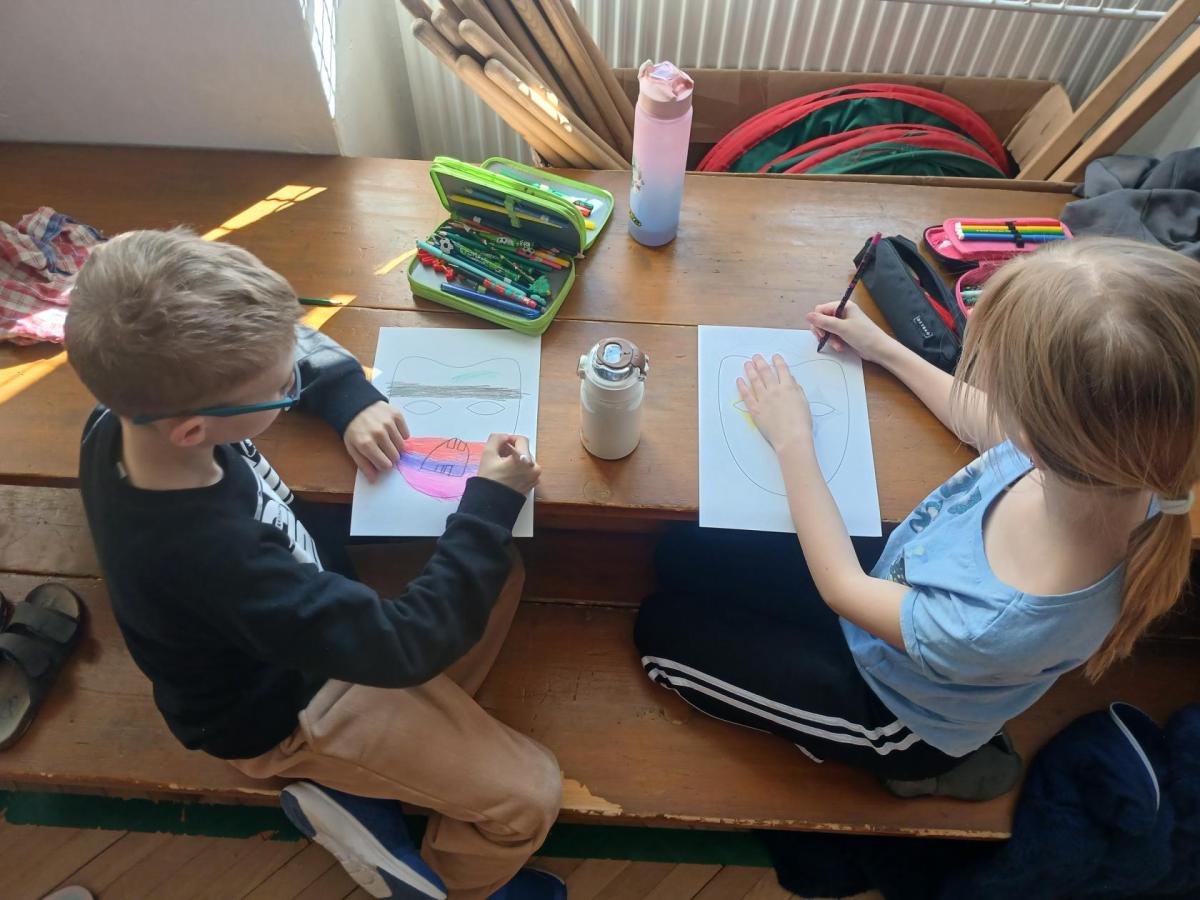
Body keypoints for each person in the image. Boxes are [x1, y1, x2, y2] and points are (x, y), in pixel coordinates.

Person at [68, 229, 564, 899]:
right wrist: (490, 502)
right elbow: (404, 644)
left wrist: (347, 398)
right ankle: (446, 882)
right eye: (282, 392)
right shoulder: (213, 558)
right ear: (193, 431)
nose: (292, 384)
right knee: (530, 795)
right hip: (285, 708)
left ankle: (363, 788)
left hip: (302, 624)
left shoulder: (123, 414)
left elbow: (273, 344)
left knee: (497, 571)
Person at [636, 237, 1200, 800]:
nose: (987, 390)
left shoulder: (993, 624)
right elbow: (981, 418)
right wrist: (882, 348)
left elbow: (842, 587)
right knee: (679, 553)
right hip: (897, 591)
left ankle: (913, 768)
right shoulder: (1128, 466)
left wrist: (792, 440)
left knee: (658, 632)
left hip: (889, 710)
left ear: (1044, 435)